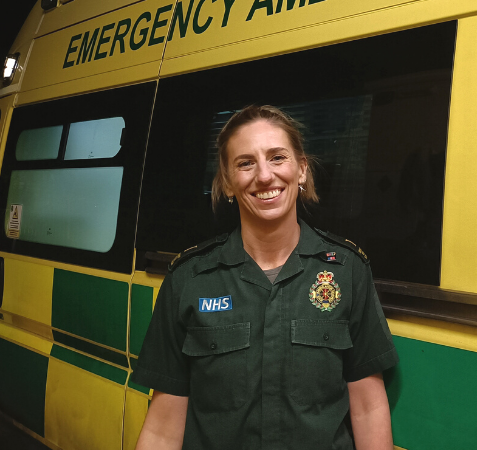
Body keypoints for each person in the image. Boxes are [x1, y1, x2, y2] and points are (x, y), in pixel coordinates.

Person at [133, 105, 399, 450]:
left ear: (301, 170)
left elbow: (368, 406)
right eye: (245, 163)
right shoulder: (190, 279)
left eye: (277, 157)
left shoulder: (347, 271)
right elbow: (163, 426)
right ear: (228, 183)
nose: (264, 175)